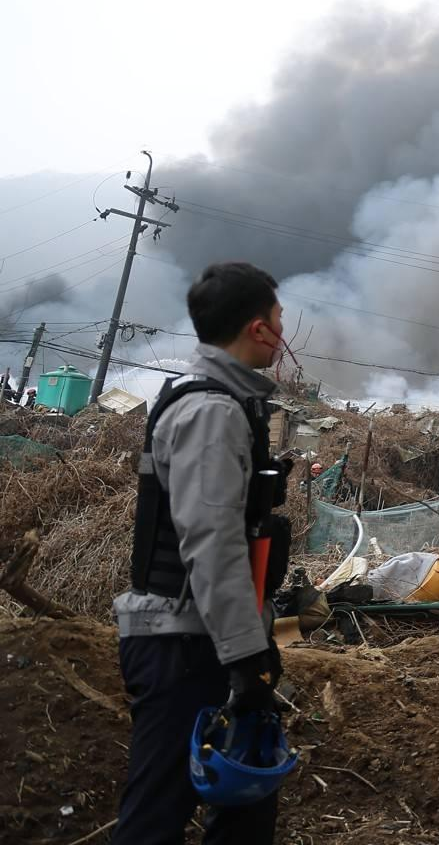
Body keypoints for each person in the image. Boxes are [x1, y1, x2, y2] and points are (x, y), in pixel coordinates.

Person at [112, 262, 293, 844]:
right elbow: (211, 543)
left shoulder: (226, 404)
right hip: (185, 645)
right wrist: (246, 659)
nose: (283, 329)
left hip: (205, 638)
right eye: (278, 317)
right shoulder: (212, 414)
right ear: (257, 328)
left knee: (245, 811)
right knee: (156, 818)